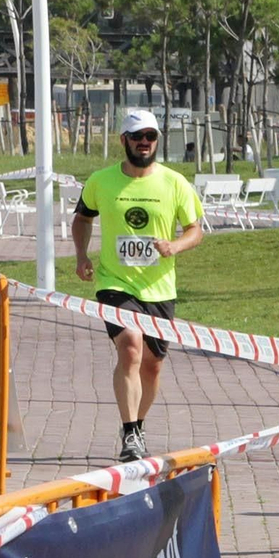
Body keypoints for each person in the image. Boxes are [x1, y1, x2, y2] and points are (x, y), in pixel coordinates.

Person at [73, 109, 204, 462]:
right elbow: (82, 218)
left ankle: (138, 426)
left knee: (152, 365)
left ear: (157, 141)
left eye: (150, 136)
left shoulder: (175, 182)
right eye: (137, 136)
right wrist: (81, 255)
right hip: (115, 282)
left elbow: (196, 230)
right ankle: (130, 432)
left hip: (160, 288)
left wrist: (175, 246)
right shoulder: (101, 181)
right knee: (130, 347)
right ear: (123, 141)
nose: (144, 142)